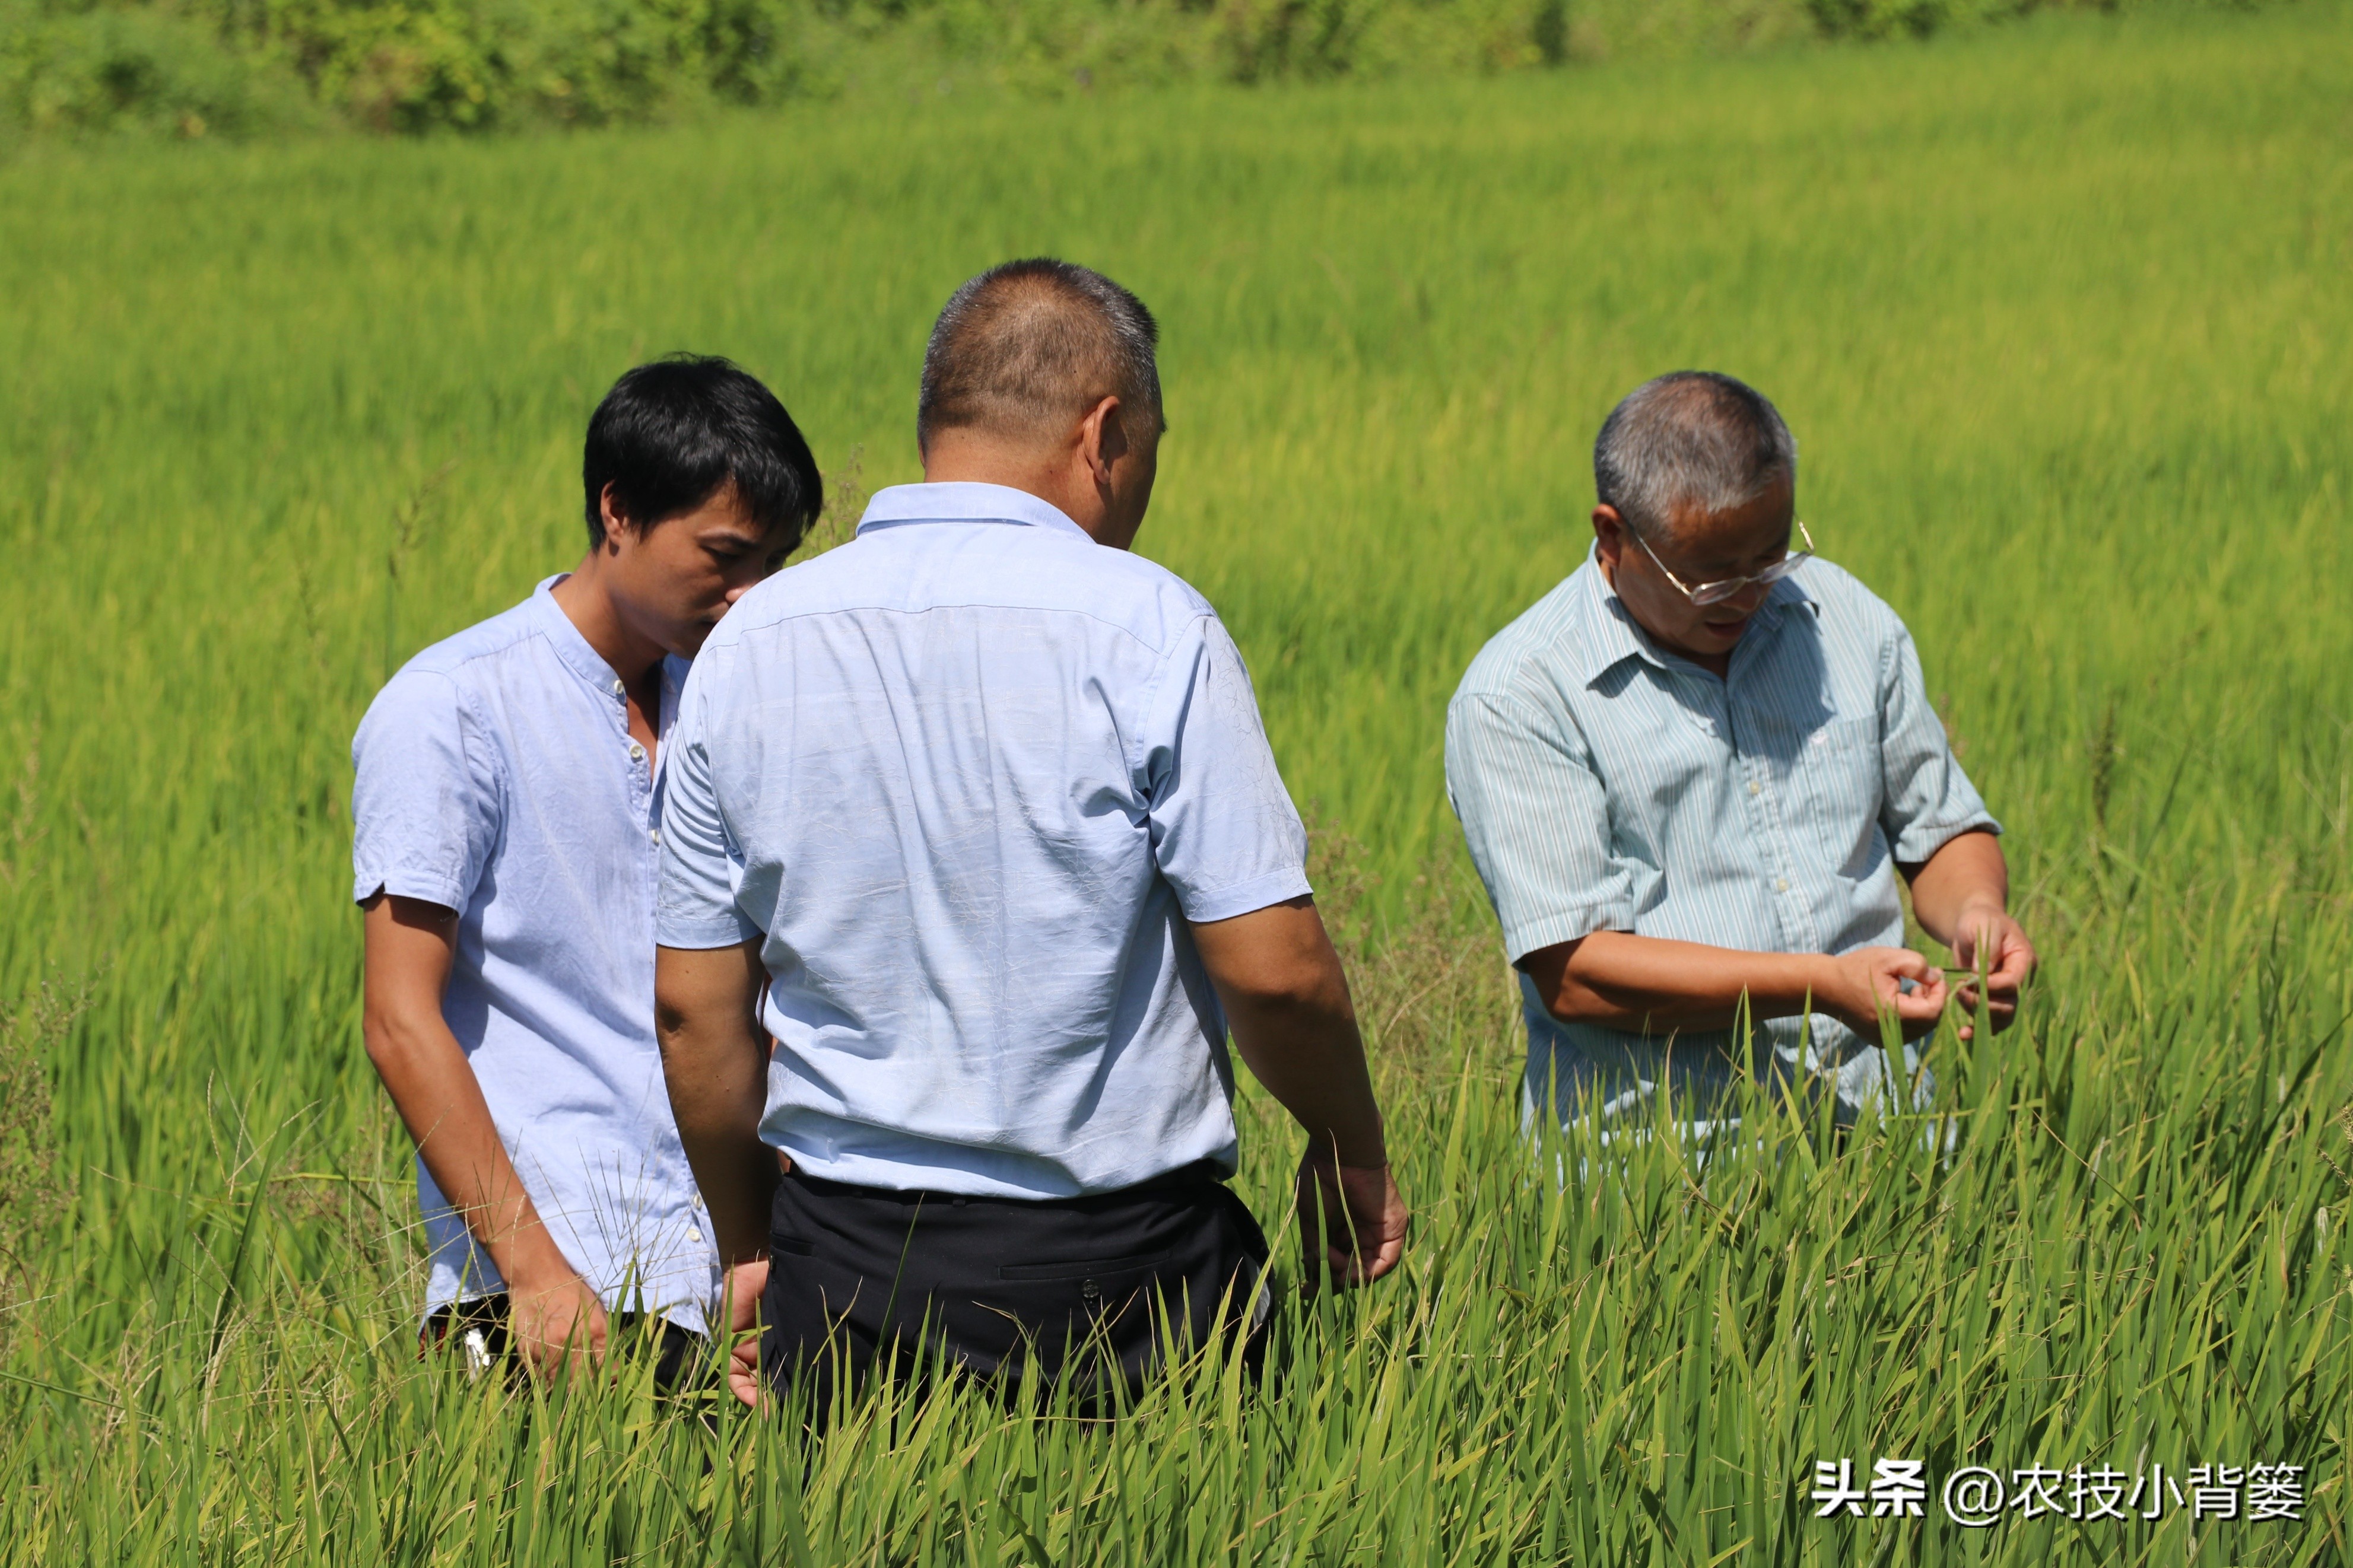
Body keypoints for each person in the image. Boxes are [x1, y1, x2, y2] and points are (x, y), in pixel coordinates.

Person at [653, 258, 1409, 1414]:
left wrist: (752, 1244)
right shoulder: (1150, 626)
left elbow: (694, 1011)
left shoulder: (747, 647)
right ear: (1104, 433)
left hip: (847, 1276)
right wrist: (1346, 1141)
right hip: (1133, 1284)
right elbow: (1277, 974)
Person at [352, 355, 823, 1381]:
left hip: (738, 1286)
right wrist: (535, 1272)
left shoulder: (738, 705)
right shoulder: (452, 709)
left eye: (775, 566)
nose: (752, 597)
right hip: (541, 1296)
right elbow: (398, 1016)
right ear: (617, 510)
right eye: (726, 555)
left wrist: (772, 1246)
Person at [1444, 371, 2037, 1134]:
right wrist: (1819, 986)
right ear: (1612, 535)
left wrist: (1975, 915)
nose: (1747, 593)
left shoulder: (1842, 618)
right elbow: (1577, 973)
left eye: (1770, 555)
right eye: (1706, 576)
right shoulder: (1521, 695)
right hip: (1656, 1169)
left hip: (1889, 1139)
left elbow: (1938, 829)